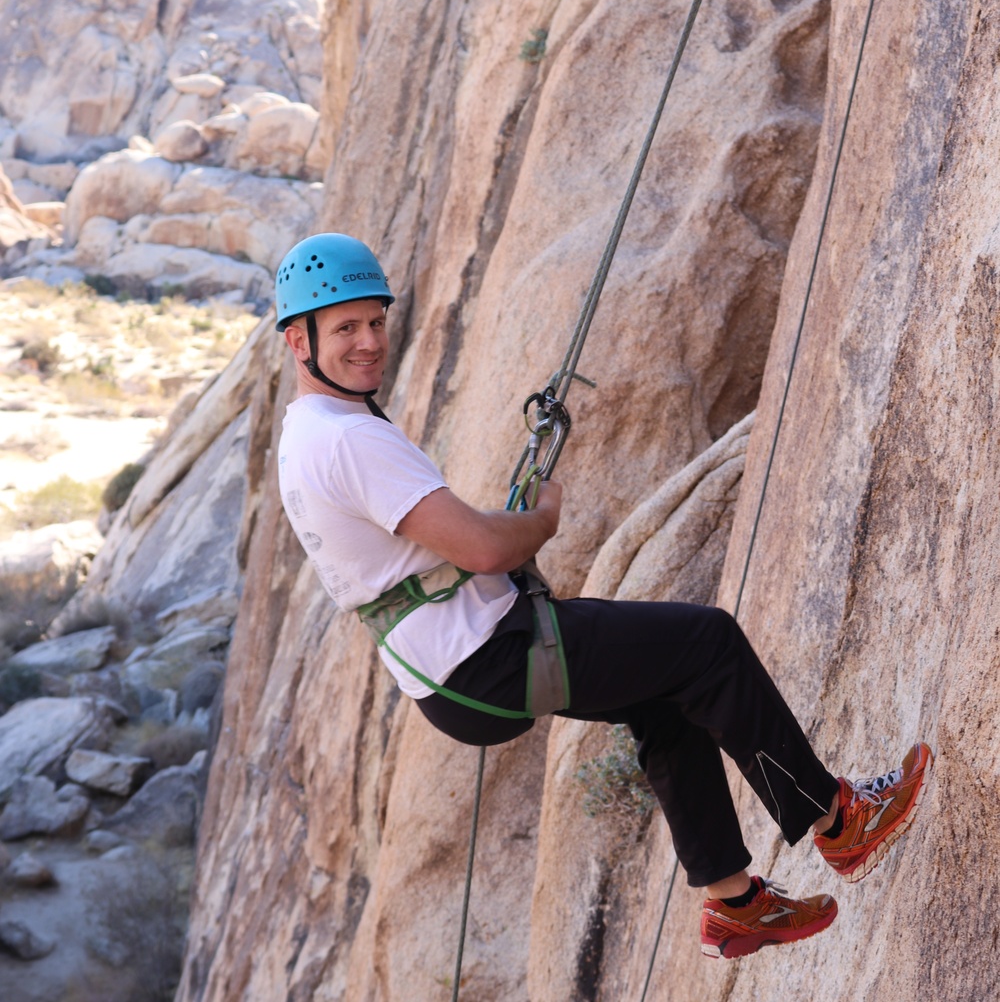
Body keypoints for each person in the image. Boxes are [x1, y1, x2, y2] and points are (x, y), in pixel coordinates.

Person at [275, 234, 932, 960]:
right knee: (707, 645)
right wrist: (543, 518)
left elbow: (432, 547)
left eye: (375, 321)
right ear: (297, 339)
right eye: (345, 329)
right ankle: (839, 821)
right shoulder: (347, 441)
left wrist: (500, 527)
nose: (368, 342)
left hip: (454, 673)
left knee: (661, 694)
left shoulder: (310, 433)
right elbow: (487, 549)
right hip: (490, 654)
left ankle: (737, 904)